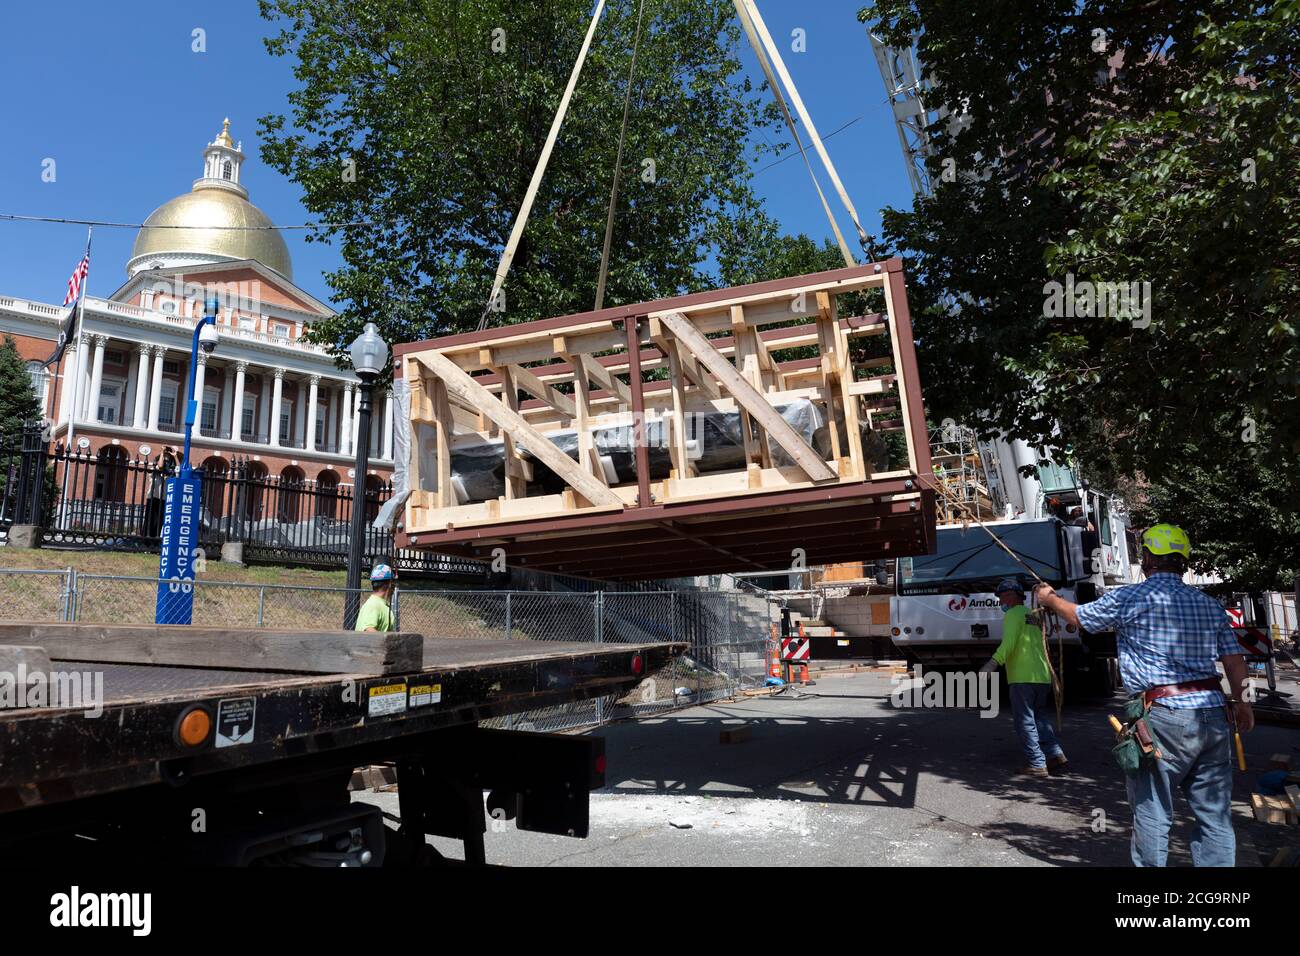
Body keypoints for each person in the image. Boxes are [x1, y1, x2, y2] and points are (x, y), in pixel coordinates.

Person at [1034, 523, 1253, 867]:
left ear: (1148, 557)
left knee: (1152, 811)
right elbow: (1234, 661)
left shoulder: (1130, 597)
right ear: (1182, 560)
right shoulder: (1209, 605)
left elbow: (1079, 617)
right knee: (1214, 816)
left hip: (1163, 715)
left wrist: (1049, 599)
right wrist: (1243, 703)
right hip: (1213, 714)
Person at [981, 578, 1066, 776]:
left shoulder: (1013, 614)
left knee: (1025, 721)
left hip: (1022, 676)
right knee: (1040, 718)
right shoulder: (1033, 615)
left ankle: (1037, 762)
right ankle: (1054, 754)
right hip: (1041, 676)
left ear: (1011, 596)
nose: (1001, 601)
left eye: (1002, 596)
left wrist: (992, 663)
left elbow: (1009, 644)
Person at [355, 564, 396, 632]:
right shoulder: (373, 605)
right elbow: (369, 630)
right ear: (390, 584)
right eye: (394, 582)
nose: (394, 586)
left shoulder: (381, 604)